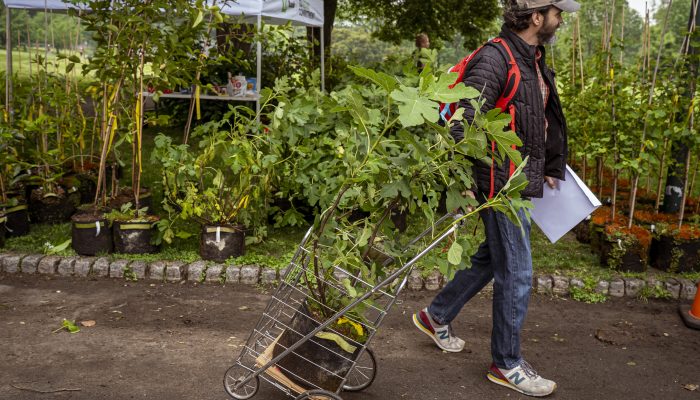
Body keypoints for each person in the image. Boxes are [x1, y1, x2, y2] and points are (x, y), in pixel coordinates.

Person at [412, 0, 579, 397]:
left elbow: (540, 118)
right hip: (497, 183)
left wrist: (552, 167)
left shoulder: (532, 58)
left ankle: (436, 316)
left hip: (515, 180)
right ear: (537, 17)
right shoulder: (496, 57)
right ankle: (507, 363)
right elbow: (464, 122)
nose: (561, 19)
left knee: (492, 258)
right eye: (557, 12)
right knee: (517, 272)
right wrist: (467, 183)